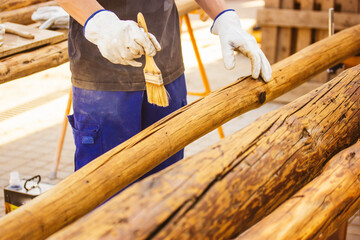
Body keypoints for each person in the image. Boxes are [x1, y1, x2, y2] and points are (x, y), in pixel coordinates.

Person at [54, 0, 272, 180]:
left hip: (166, 66)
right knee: (104, 197)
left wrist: (224, 17)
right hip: (104, 77)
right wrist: (100, 23)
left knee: (165, 189)